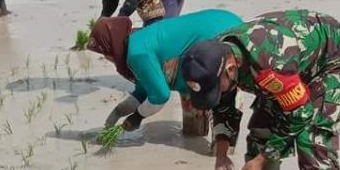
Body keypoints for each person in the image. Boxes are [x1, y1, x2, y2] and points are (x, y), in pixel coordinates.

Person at [181, 11, 340, 170]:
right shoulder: (215, 58)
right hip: (294, 66)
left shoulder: (269, 64)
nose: (215, 93)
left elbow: (300, 113)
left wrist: (260, 161)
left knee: (313, 139)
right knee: (261, 129)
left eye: (215, 88)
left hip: (335, 57)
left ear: (231, 69)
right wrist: (221, 155)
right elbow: (224, 106)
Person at [88, 9, 243, 138]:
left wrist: (138, 117)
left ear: (111, 46)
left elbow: (160, 96)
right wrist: (119, 111)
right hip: (220, 22)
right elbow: (145, 89)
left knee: (222, 117)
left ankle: (223, 153)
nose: (106, 58)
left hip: (223, 36)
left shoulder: (137, 54)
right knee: (193, 133)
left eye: (104, 53)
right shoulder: (136, 41)